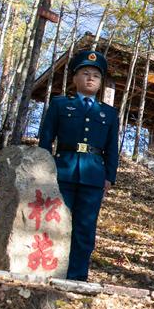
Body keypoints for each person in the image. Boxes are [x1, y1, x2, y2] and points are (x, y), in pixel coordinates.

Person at [38, 50, 119, 281]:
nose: (90, 78)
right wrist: (43, 168)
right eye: (85, 73)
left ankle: (76, 276)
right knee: (54, 224)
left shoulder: (109, 113)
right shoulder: (60, 104)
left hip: (93, 176)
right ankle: (49, 271)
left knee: (85, 229)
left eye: (96, 75)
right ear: (75, 78)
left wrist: (109, 177)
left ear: (101, 82)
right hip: (61, 171)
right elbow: (46, 139)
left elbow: (111, 148)